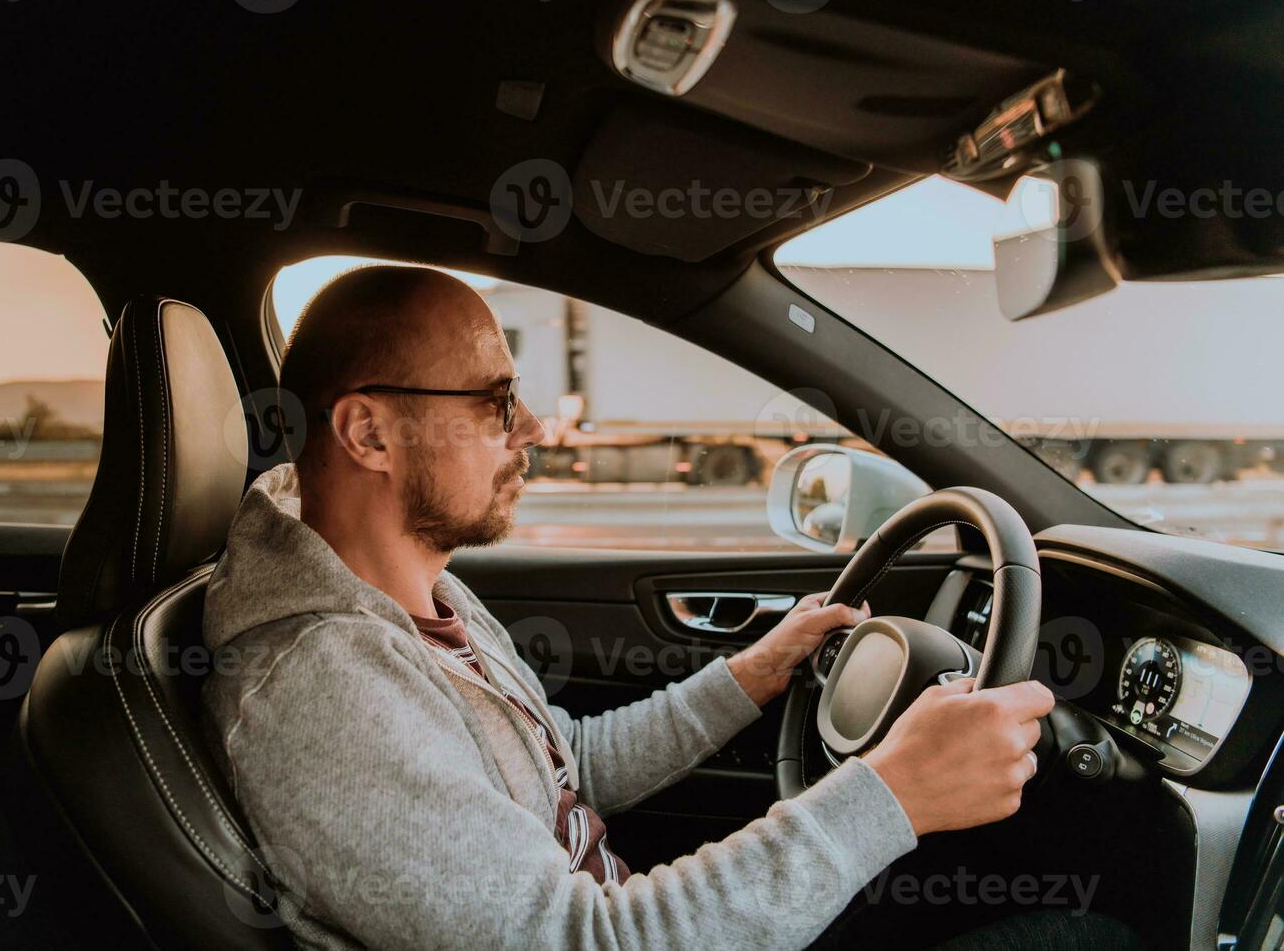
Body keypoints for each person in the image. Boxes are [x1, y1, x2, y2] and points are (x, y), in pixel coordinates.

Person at [201, 265, 1129, 949]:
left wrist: (755, 671)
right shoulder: (323, 687)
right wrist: (891, 794)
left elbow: (566, 768)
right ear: (368, 431)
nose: (528, 428)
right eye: (494, 399)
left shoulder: (410, 596)